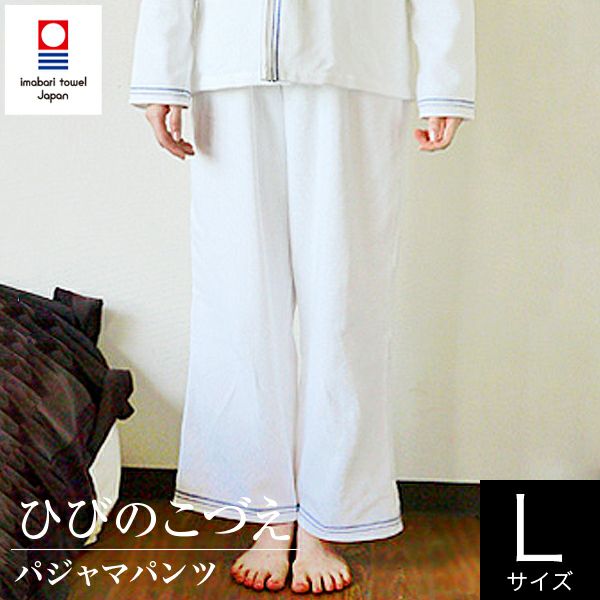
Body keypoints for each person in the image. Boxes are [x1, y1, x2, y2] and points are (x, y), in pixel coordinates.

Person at [130, 0, 476, 594]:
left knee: (345, 307)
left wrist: (445, 79)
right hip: (229, 70)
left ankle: (326, 516)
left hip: (355, 65)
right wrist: (161, 73)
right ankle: (269, 510)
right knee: (237, 307)